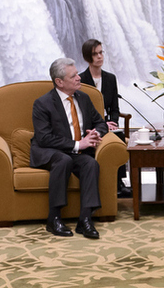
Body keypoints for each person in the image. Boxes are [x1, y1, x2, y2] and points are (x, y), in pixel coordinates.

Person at [31, 57, 109, 239]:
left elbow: (101, 122)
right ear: (59, 82)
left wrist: (95, 133)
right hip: (49, 151)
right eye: (73, 76)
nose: (79, 78)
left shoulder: (83, 98)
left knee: (90, 164)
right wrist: (77, 144)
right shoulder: (42, 103)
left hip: (75, 151)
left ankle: (85, 219)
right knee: (63, 160)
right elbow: (44, 138)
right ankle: (54, 218)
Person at [79, 39, 131, 198]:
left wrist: (113, 122)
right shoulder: (80, 80)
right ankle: (113, 183)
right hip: (90, 125)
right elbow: (81, 110)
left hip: (109, 123)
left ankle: (119, 182)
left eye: (101, 52)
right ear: (88, 58)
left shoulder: (110, 78)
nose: (100, 57)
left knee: (118, 135)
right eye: (95, 54)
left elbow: (115, 108)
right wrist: (102, 123)